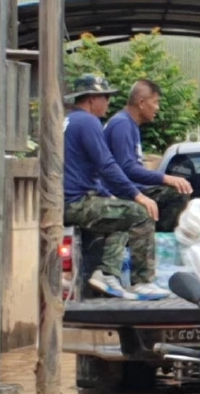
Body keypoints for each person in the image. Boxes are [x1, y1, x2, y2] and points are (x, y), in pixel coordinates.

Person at [62, 74, 167, 300]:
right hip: (75, 203)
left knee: (120, 212)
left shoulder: (69, 120)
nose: (109, 103)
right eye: (106, 97)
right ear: (92, 99)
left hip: (68, 199)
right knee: (140, 213)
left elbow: (84, 170)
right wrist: (139, 196)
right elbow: (106, 165)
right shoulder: (89, 122)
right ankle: (141, 282)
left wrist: (107, 194)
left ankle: (107, 273)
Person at [103, 79, 193, 232]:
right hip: (119, 192)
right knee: (176, 194)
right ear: (141, 102)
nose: (157, 108)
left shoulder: (130, 125)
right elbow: (128, 168)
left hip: (131, 188)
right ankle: (159, 243)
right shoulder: (122, 124)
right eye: (155, 102)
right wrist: (166, 178)